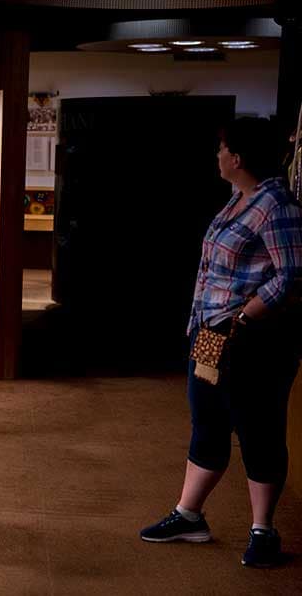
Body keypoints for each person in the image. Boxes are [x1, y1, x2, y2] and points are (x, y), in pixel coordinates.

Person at [140, 117, 302, 568]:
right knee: (206, 419)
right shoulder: (239, 200)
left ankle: (263, 532)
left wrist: (246, 315)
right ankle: (189, 514)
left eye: (221, 149)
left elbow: (292, 273)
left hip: (253, 339)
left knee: (258, 429)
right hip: (211, 333)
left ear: (238, 157)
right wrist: (200, 328)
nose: (217, 156)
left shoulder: (276, 205)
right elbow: (212, 269)